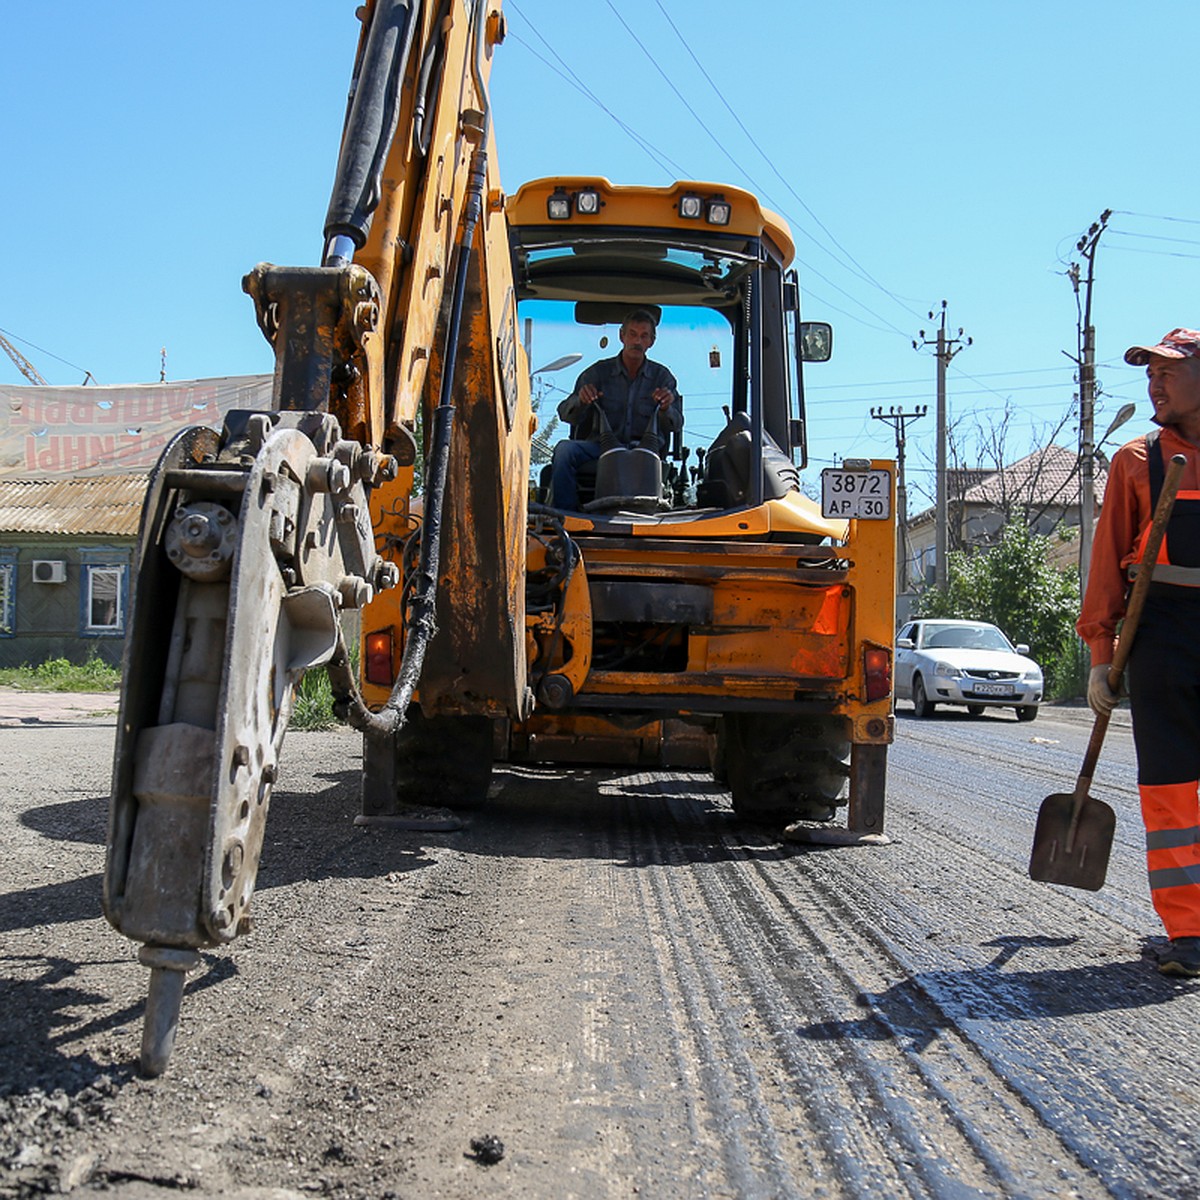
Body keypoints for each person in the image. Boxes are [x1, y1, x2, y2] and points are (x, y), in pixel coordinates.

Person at [1078, 327, 1200, 977]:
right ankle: (1189, 933)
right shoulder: (1136, 461)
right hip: (1164, 633)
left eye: (1169, 371)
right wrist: (1102, 653)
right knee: (1174, 789)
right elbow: (1106, 569)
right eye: (1148, 372)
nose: (1154, 381)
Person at [549, 309, 682, 510]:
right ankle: (565, 517)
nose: (637, 341)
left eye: (644, 336)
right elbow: (565, 413)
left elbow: (677, 423)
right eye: (632, 334)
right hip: (601, 447)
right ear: (622, 336)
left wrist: (666, 407)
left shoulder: (663, 377)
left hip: (644, 449)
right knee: (564, 451)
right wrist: (581, 400)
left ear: (651, 341)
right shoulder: (597, 373)